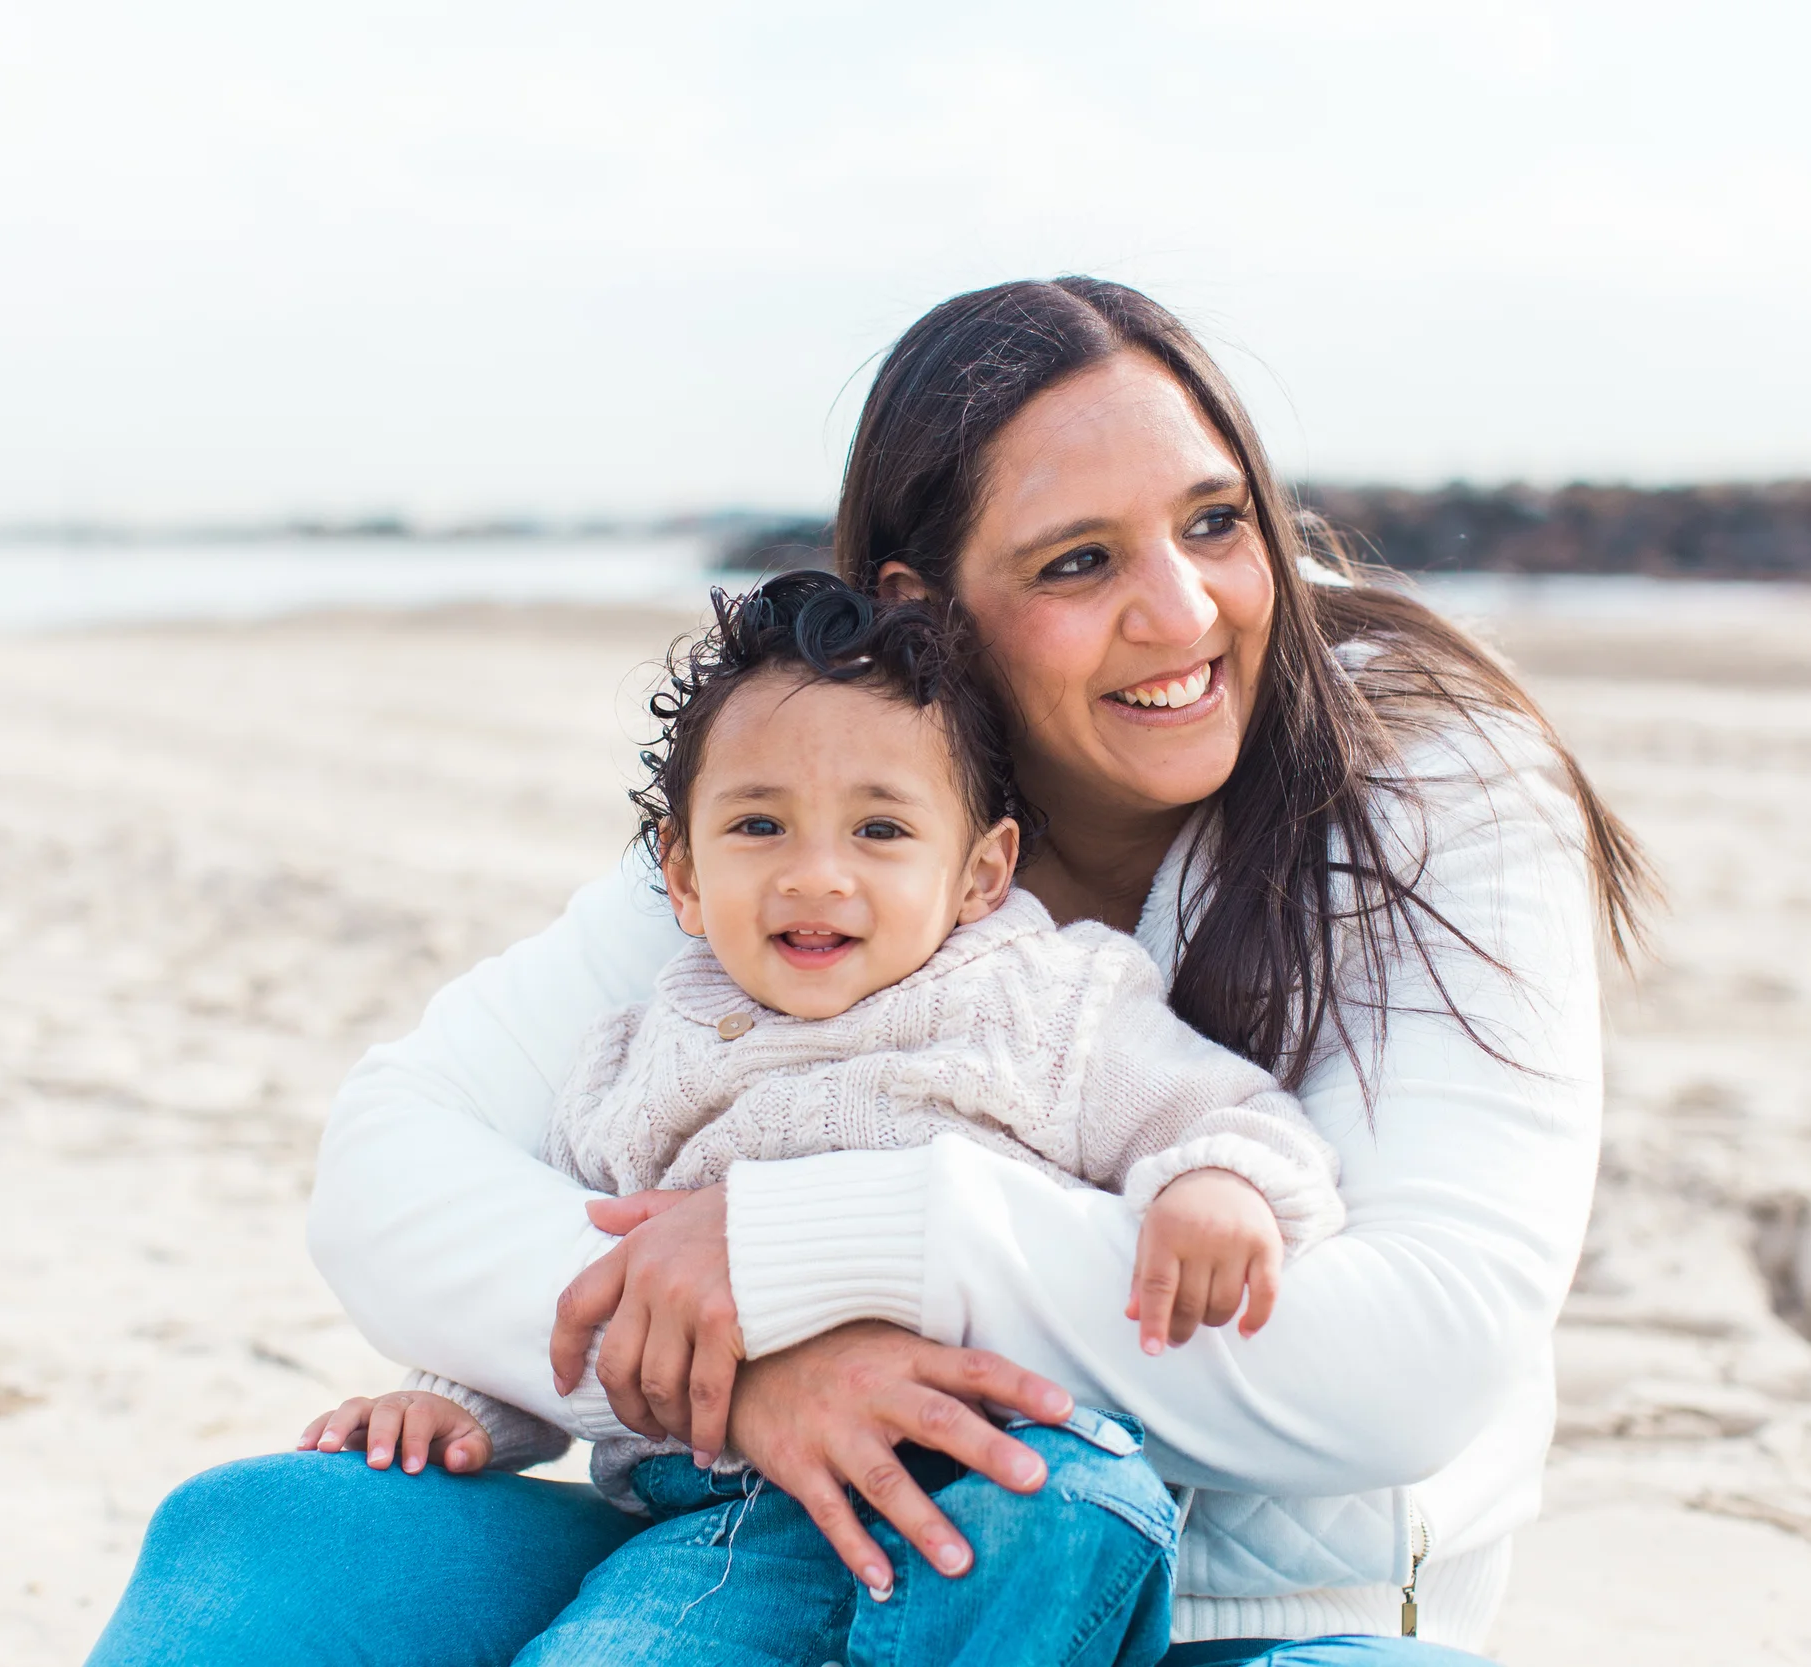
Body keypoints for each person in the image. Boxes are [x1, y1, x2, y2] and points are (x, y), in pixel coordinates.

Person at [86, 277, 1652, 1667]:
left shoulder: (1427, 779)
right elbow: (390, 1164)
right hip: (757, 1532)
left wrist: (825, 1245)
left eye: (1215, 521)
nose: (1180, 611)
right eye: (1077, 560)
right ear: (923, 607)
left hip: (1243, 1614)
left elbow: (1420, 1354)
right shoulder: (819, 811)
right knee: (265, 1541)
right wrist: (754, 1376)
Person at [293, 567, 1344, 1665]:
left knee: (1074, 1501)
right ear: (684, 876)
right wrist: (460, 1403)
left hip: (1007, 1467)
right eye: (759, 824)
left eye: (881, 828)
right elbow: (590, 1288)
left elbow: (1230, 1115)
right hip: (734, 1513)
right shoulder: (639, 1057)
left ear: (981, 870)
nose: (816, 874)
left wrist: (1212, 1182)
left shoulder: (1046, 1001)